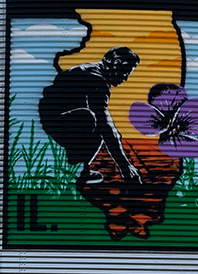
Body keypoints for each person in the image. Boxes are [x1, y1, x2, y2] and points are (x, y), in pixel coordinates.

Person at [39, 47, 142, 185]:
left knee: (95, 123)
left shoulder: (95, 72)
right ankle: (77, 170)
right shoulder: (96, 78)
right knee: (90, 119)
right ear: (116, 62)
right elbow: (105, 123)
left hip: (59, 118)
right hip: (54, 121)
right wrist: (125, 167)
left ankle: (80, 169)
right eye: (126, 72)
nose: (125, 78)